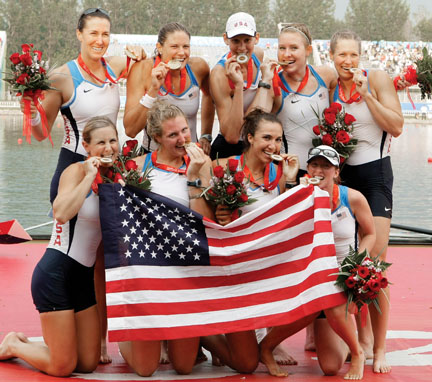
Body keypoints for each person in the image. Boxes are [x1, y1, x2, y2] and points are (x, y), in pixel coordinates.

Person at [0, 116, 119, 376]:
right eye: (101, 142)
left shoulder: (118, 178)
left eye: (113, 140)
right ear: (86, 147)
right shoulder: (75, 171)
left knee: (87, 363)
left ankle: (37, 344)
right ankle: (13, 344)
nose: (109, 147)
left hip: (83, 279)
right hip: (56, 275)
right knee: (62, 366)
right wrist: (89, 176)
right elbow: (61, 212)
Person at [118, 101, 214, 377]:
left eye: (185, 130)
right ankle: (128, 333)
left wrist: (195, 176)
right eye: (173, 135)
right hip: (149, 270)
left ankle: (198, 335)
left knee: (183, 367)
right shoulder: (137, 167)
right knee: (146, 370)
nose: (183, 139)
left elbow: (205, 221)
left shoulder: (201, 164)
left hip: (186, 268)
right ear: (156, 137)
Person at [201, 109, 300, 373]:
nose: (274, 145)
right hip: (229, 269)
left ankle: (268, 341)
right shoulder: (221, 168)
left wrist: (290, 181)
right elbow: (201, 214)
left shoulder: (280, 174)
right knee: (246, 365)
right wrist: (218, 215)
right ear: (250, 138)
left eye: (278, 140)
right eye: (267, 137)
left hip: (264, 263)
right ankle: (203, 334)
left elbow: (286, 223)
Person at [329, 30, 403, 374]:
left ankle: (381, 347)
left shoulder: (376, 79)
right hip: (345, 179)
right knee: (349, 259)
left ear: (361, 56)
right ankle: (363, 339)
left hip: (375, 177)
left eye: (353, 55)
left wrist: (367, 97)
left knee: (374, 264)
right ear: (332, 56)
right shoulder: (330, 86)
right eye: (342, 55)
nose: (348, 62)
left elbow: (398, 126)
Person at [24, 8, 145, 204]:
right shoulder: (61, 77)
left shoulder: (117, 65)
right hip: (74, 164)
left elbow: (145, 68)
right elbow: (41, 133)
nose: (100, 41)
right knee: (71, 231)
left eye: (105, 34)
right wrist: (32, 115)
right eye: (93, 33)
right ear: (79, 34)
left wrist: (142, 53)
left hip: (109, 165)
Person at [303, 145, 376, 378]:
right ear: (307, 168)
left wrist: (356, 266)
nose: (319, 170)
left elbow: (371, 233)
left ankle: (355, 348)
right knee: (331, 366)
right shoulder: (298, 197)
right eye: (314, 165)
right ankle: (268, 345)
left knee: (330, 366)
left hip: (343, 280)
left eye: (326, 166)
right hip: (313, 279)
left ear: (336, 171)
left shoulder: (352, 197)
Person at [123, 22, 214, 155]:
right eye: (174, 47)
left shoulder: (199, 67)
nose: (181, 52)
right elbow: (130, 130)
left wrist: (206, 135)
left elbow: (209, 95)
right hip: (153, 157)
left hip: (190, 155)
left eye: (186, 46)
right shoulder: (142, 69)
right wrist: (153, 90)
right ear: (159, 47)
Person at [209, 12, 265, 160]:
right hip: (229, 150)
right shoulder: (219, 74)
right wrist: (239, 87)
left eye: (247, 40)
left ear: (256, 38)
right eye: (235, 41)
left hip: (256, 145)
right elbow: (232, 136)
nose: (242, 48)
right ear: (226, 39)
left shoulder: (258, 55)